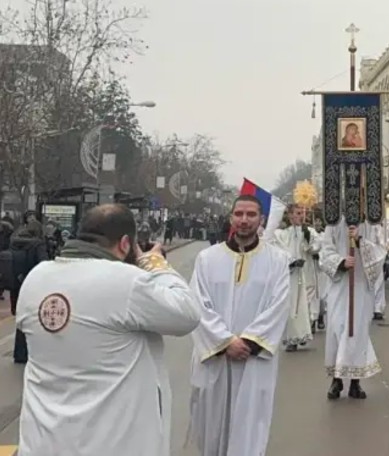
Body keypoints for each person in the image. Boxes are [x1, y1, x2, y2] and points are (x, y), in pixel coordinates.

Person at [15, 204, 201, 456]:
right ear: (125, 244)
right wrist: (154, 262)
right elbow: (187, 313)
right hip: (109, 445)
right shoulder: (126, 282)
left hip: (42, 442)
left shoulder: (36, 278)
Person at [188, 195, 291, 456]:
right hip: (215, 358)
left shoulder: (277, 260)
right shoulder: (207, 259)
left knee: (250, 424)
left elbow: (278, 306)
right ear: (231, 217)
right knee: (210, 424)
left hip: (253, 359)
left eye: (251, 215)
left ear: (262, 220)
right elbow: (198, 304)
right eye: (239, 214)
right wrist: (224, 342)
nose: (244, 220)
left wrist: (248, 342)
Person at [318, 219, 387, 400]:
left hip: (361, 286)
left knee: (357, 332)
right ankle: (336, 379)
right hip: (340, 285)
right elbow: (325, 252)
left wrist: (360, 242)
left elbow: (381, 252)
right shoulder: (332, 223)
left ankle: (356, 382)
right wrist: (340, 262)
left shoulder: (372, 224)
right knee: (336, 329)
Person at [0, 220, 49, 363]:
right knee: (34, 318)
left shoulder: (13, 242)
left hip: (15, 284)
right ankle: (29, 351)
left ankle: (19, 353)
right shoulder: (38, 244)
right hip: (32, 284)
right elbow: (43, 263)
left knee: (20, 316)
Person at [270, 204, 315, 351]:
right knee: (289, 306)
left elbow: (315, 248)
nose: (301, 216)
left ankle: (302, 334)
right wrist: (291, 261)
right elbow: (278, 251)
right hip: (288, 274)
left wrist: (308, 238)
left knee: (303, 305)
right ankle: (291, 339)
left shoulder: (307, 231)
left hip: (303, 272)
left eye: (302, 213)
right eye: (297, 213)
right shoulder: (282, 234)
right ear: (289, 216)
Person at [361, 216, 388, 320]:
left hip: (375, 255)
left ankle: (377, 308)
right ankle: (371, 308)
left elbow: (381, 242)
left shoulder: (376, 226)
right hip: (365, 253)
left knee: (378, 283)